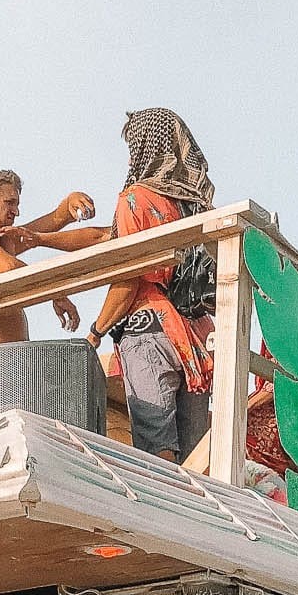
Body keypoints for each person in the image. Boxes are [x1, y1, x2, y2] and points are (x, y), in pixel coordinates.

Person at [85, 108, 218, 464]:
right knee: (195, 459)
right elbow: (103, 237)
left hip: (150, 330)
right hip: (197, 339)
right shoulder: (195, 205)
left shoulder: (135, 199)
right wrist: (41, 237)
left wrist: (96, 332)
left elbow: (128, 279)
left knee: (157, 453)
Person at [0, 164, 98, 346]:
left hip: (15, 357)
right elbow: (12, 268)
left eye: (17, 204)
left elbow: (37, 232)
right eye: (9, 203)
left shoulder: (3, 241)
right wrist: (56, 293)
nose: (16, 211)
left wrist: (69, 206)